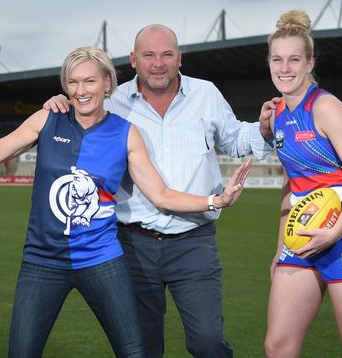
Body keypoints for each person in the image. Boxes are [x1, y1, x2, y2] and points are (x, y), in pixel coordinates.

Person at [0, 46, 251, 358]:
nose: (81, 90)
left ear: (107, 83)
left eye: (89, 81)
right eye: (73, 82)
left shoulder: (126, 133)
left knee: (135, 352)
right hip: (42, 261)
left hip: (101, 260)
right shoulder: (47, 119)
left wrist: (216, 199)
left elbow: (161, 195)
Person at [44, 25, 274, 357]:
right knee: (142, 348)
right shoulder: (114, 101)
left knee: (208, 342)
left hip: (193, 241)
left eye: (167, 54)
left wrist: (263, 130)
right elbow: (79, 111)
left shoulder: (206, 94)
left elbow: (236, 139)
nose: (158, 63)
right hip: (130, 244)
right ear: (134, 60)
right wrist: (59, 104)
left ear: (179, 58)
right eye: (149, 55)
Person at [261, 10, 342, 358]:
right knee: (278, 346)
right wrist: (279, 246)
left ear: (309, 63)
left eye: (294, 59)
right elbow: (292, 184)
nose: (285, 68)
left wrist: (334, 231)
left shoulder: (326, 107)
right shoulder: (277, 113)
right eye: (277, 59)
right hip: (301, 238)